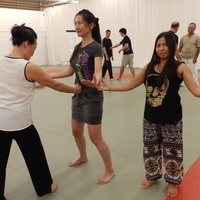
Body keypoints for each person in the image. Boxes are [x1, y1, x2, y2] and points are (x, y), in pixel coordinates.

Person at [98, 31, 200, 197]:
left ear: (173, 46)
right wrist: (109, 88)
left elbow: (196, 90)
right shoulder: (149, 67)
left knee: (172, 151)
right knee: (150, 149)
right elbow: (131, 84)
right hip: (150, 118)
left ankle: (172, 181)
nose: (161, 48)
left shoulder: (180, 67)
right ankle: (153, 176)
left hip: (172, 120)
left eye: (165, 44)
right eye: (158, 45)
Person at [0, 24, 81, 200]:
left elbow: (11, 84)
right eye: (34, 48)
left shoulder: (0, 61)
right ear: (27, 44)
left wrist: (33, 86)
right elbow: (55, 84)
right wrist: (75, 90)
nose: (33, 52)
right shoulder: (28, 66)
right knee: (35, 155)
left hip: (1, 122)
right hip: (20, 122)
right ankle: (45, 187)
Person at [50, 9, 115, 184]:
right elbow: (69, 71)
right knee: (76, 131)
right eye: (75, 23)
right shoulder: (77, 47)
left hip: (92, 97)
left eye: (80, 23)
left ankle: (110, 170)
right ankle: (83, 156)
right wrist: (48, 76)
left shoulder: (96, 47)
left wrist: (96, 81)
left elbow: (99, 71)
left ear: (91, 25)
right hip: (78, 95)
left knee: (95, 137)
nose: (77, 26)